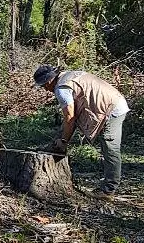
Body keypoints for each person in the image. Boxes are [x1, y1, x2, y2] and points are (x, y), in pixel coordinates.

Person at [33, 65, 129, 195]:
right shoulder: (67, 76)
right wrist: (60, 140)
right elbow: (71, 117)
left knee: (110, 147)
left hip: (112, 109)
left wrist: (64, 141)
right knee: (107, 146)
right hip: (112, 103)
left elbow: (70, 117)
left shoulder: (61, 89)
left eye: (44, 86)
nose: (45, 89)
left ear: (49, 80)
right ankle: (108, 185)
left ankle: (108, 190)